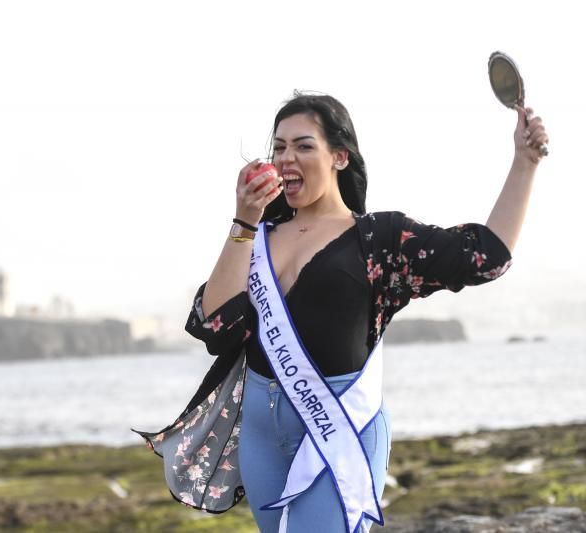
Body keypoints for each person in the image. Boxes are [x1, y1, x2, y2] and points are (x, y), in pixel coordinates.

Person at [134, 93, 548, 533]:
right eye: (279, 147)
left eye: (303, 146)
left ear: (340, 157)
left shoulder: (379, 240)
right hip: (260, 434)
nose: (286, 157)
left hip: (339, 423)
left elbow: (485, 256)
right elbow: (215, 326)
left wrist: (525, 162)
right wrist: (243, 220)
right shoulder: (256, 239)